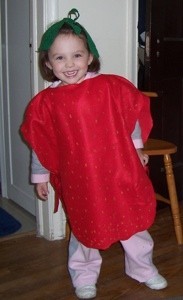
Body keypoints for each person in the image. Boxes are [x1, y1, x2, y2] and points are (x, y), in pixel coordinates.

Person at [20, 8, 167, 299]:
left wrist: (137, 150)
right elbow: (41, 141)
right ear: (48, 63)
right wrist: (40, 176)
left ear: (89, 57)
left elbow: (132, 117)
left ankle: (143, 268)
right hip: (81, 178)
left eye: (77, 55)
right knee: (85, 228)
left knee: (133, 222)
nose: (69, 64)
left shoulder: (110, 87)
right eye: (59, 57)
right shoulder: (45, 104)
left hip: (119, 169)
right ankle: (84, 275)